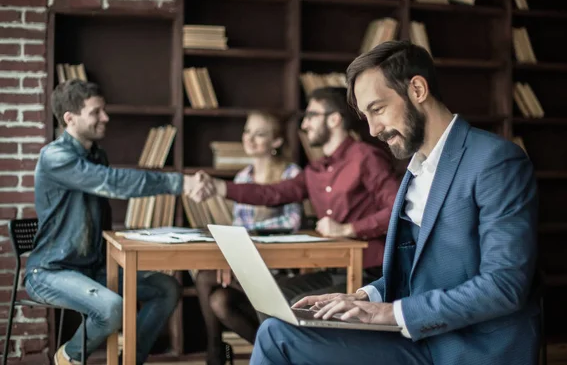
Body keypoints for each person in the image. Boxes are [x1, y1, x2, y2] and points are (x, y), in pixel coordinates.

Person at [249, 40, 540, 365]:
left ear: (417, 89)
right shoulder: (414, 172)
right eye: (365, 116)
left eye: (377, 109)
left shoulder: (496, 161)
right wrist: (363, 296)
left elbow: (505, 285)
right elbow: (417, 274)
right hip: (418, 339)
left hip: (468, 348)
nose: (373, 130)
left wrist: (390, 313)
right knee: (276, 333)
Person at [24, 80, 205, 365]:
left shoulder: (98, 155)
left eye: (104, 110)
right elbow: (114, 183)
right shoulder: (55, 157)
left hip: (92, 270)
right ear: (70, 118)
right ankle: (68, 358)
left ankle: (130, 360)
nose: (105, 118)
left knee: (167, 288)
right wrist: (181, 182)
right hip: (50, 272)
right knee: (111, 308)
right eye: (96, 112)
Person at [198, 86, 401, 303]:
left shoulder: (366, 157)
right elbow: (272, 193)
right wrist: (219, 187)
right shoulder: (315, 170)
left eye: (311, 116)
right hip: (336, 268)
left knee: (295, 303)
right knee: (269, 296)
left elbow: (397, 210)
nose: (304, 125)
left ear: (334, 119)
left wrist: (349, 229)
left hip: (371, 272)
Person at [194, 111, 302, 365]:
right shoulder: (242, 177)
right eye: (247, 132)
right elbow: (236, 228)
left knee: (205, 279)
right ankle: (268, 355)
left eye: (259, 134)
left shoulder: (290, 173)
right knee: (218, 300)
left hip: (280, 270)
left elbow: (292, 222)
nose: (250, 139)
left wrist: (251, 235)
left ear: (276, 142)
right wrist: (233, 258)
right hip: (247, 266)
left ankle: (216, 354)